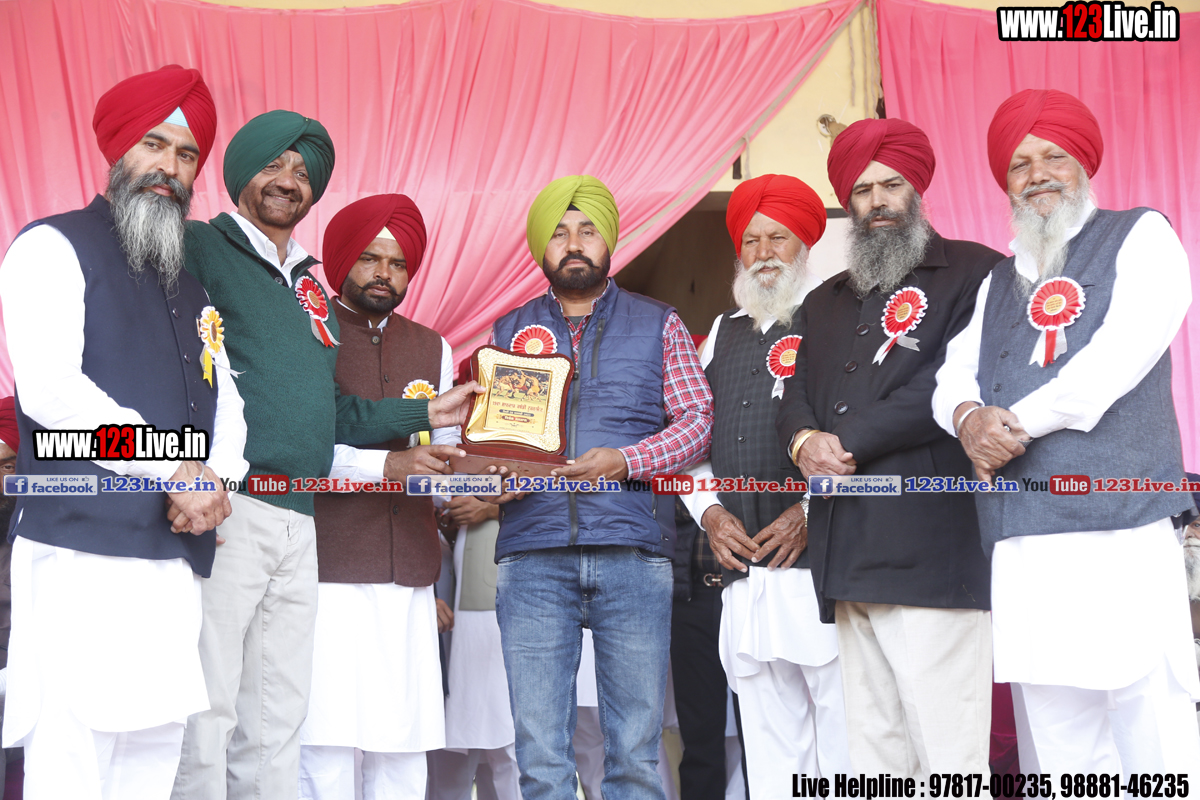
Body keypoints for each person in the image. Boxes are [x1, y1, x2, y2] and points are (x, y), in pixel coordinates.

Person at [172, 112, 478, 798]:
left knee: (278, 717)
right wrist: (179, 467)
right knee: (212, 706)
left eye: (303, 172)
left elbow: (328, 412)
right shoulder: (201, 246)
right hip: (232, 503)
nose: (288, 180)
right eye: (273, 164)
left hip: (298, 518)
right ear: (239, 171)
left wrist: (425, 414)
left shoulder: (307, 284)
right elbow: (171, 361)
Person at [933, 88, 1200, 775]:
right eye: (1019, 164)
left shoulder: (1141, 235)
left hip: (1120, 529)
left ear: (1084, 162)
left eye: (1054, 156)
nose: (1037, 175)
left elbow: (1116, 360)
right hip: (1024, 542)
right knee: (1058, 745)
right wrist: (967, 419)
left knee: (1151, 730)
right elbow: (952, 376)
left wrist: (1009, 426)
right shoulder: (997, 280)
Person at [0, 66, 248, 798]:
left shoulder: (189, 287)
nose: (170, 166)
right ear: (117, 150)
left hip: (172, 558)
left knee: (150, 758)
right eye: (154, 144)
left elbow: (228, 403)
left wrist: (217, 484)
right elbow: (53, 395)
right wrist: (176, 470)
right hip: (81, 551)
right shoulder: (51, 245)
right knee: (74, 761)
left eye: (187, 154)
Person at [775, 118, 1002, 778]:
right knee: (876, 755)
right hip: (847, 550)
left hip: (933, 550)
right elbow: (794, 391)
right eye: (863, 190)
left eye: (891, 185)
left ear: (917, 189)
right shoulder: (824, 300)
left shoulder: (976, 272)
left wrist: (843, 443)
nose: (877, 201)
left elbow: (951, 384)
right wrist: (804, 441)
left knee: (948, 756)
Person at [488, 175, 712, 800]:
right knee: (540, 757)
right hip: (532, 556)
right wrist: (496, 472)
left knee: (636, 755)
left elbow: (697, 422)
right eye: (559, 232)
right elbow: (496, 439)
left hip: (633, 554)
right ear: (542, 246)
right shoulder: (508, 331)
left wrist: (627, 460)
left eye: (587, 230)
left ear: (610, 240)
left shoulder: (660, 323)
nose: (574, 243)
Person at [682, 174, 849, 792]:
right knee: (771, 749)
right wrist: (709, 514)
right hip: (745, 577)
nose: (764, 253)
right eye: (751, 240)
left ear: (804, 242)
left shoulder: (839, 317)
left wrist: (808, 511)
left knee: (844, 745)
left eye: (778, 237)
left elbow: (863, 435)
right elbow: (690, 442)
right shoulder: (719, 334)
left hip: (822, 570)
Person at [297, 194, 465, 797]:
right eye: (370, 258)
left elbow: (445, 449)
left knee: (403, 742)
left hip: (408, 573)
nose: (383, 274)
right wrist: (386, 465)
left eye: (397, 264)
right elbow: (300, 445)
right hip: (327, 566)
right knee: (326, 743)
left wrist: (484, 476)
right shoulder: (306, 331)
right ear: (343, 259)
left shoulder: (433, 345)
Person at [428, 495, 522, 800]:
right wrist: (450, 525)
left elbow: (557, 493)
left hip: (502, 601)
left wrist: (493, 509)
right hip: (454, 602)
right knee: (452, 743)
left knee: (510, 738)